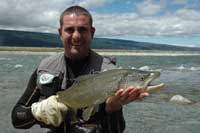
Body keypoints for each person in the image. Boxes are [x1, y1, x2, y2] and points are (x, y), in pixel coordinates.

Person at [11, 5, 149, 133]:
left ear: (92, 32)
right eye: (69, 30)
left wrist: (113, 109)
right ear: (60, 33)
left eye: (82, 29)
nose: (76, 36)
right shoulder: (45, 68)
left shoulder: (109, 73)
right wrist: (36, 112)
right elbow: (17, 119)